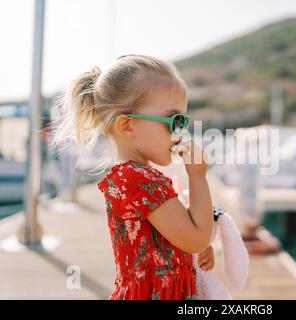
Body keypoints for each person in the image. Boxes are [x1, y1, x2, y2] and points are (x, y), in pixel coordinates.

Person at [50, 54, 214, 300]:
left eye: (184, 121)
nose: (180, 132)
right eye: (174, 121)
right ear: (127, 126)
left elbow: (181, 238)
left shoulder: (134, 175)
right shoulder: (137, 179)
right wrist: (198, 176)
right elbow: (196, 238)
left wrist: (194, 253)